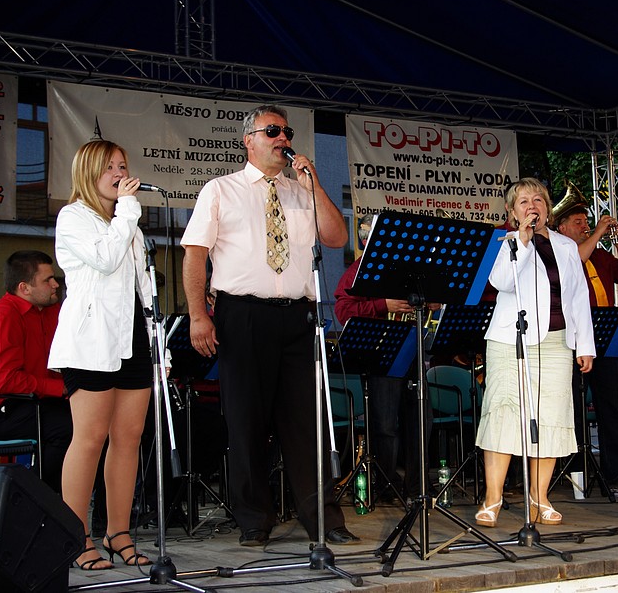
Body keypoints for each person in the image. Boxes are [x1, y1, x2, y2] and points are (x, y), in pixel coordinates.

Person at [181, 104, 358, 546]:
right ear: (249, 140)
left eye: (287, 132)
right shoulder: (221, 190)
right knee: (247, 421)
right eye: (273, 131)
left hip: (297, 315)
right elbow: (195, 255)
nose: (283, 139)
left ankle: (323, 518)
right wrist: (198, 315)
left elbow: (336, 237)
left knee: (306, 421)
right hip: (242, 314)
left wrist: (314, 186)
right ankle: (254, 521)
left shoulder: (301, 191)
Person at [48, 140, 154, 571]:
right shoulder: (74, 217)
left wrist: (159, 346)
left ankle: (118, 532)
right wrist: (127, 212)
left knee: (128, 439)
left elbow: (144, 290)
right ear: (89, 173)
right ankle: (74, 537)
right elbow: (106, 260)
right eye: (109, 166)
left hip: (133, 340)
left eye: (123, 165)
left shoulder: (128, 224)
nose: (119, 173)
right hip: (91, 342)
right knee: (89, 438)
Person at [474, 177, 595, 528]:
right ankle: (493, 497)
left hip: (557, 343)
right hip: (509, 341)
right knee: (503, 415)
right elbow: (501, 282)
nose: (532, 206)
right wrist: (523, 241)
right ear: (512, 212)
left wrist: (585, 344)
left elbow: (579, 297)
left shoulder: (566, 246)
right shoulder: (505, 242)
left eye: (538, 200)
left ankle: (538, 498)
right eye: (524, 201)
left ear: (548, 208)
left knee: (551, 418)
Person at [333, 214, 432, 503]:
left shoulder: (409, 267)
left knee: (421, 421)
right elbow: (343, 310)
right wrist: (383, 305)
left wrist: (429, 300)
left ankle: (417, 486)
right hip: (381, 352)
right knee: (385, 425)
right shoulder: (358, 269)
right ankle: (386, 485)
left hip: (411, 348)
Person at [556, 203, 618, 486]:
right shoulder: (561, 252)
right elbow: (575, 261)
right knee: (573, 407)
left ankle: (616, 469)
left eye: (586, 221)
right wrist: (598, 233)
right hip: (573, 338)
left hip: (604, 337)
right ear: (562, 228)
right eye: (578, 222)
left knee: (610, 406)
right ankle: (576, 471)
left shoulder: (601, 256)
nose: (585, 226)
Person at [0, 250, 72, 493]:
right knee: (68, 429)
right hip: (6, 409)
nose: (56, 284)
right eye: (48, 280)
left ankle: (100, 510)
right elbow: (5, 380)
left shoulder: (51, 310)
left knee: (98, 422)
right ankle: (34, 499)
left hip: (42, 401)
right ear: (24, 288)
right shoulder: (4, 315)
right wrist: (60, 388)